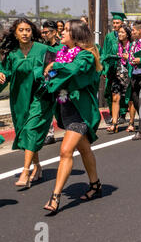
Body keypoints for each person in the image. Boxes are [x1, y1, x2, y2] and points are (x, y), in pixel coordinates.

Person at [42, 19, 103, 214]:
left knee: (65, 151)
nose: (62, 33)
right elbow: (48, 72)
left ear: (76, 35)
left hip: (80, 113)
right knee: (84, 149)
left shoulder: (85, 56)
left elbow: (74, 70)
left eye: (66, 30)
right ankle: (95, 185)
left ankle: (55, 196)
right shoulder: (62, 53)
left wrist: (54, 66)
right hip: (66, 110)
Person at [0, 18, 55, 188]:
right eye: (21, 30)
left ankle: (25, 171)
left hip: (40, 97)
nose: (25, 33)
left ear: (32, 32)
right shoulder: (11, 53)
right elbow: (1, 69)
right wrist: (0, 75)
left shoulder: (43, 49)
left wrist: (49, 70)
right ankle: (38, 166)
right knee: (27, 131)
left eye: (28, 30)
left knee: (30, 129)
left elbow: (57, 63)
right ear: (15, 33)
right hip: (20, 98)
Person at [103, 25, 132, 133]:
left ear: (128, 35)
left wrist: (128, 57)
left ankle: (132, 122)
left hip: (129, 74)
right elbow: (107, 55)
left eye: (122, 32)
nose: (119, 34)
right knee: (115, 97)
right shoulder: (115, 45)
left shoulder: (132, 45)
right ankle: (114, 123)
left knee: (130, 100)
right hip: (117, 74)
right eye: (119, 32)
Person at [101, 12, 128, 125]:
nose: (115, 25)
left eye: (117, 23)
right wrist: (104, 68)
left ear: (122, 23)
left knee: (122, 91)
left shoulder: (126, 35)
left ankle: (122, 114)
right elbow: (105, 52)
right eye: (114, 23)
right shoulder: (109, 36)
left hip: (122, 68)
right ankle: (113, 114)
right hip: (111, 67)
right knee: (109, 91)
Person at [41, 20, 64, 145]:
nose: (45, 34)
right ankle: (49, 134)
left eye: (47, 32)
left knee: (63, 106)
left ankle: (69, 129)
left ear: (54, 32)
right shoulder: (41, 47)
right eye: (43, 32)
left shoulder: (62, 47)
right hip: (46, 82)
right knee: (47, 107)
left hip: (60, 82)